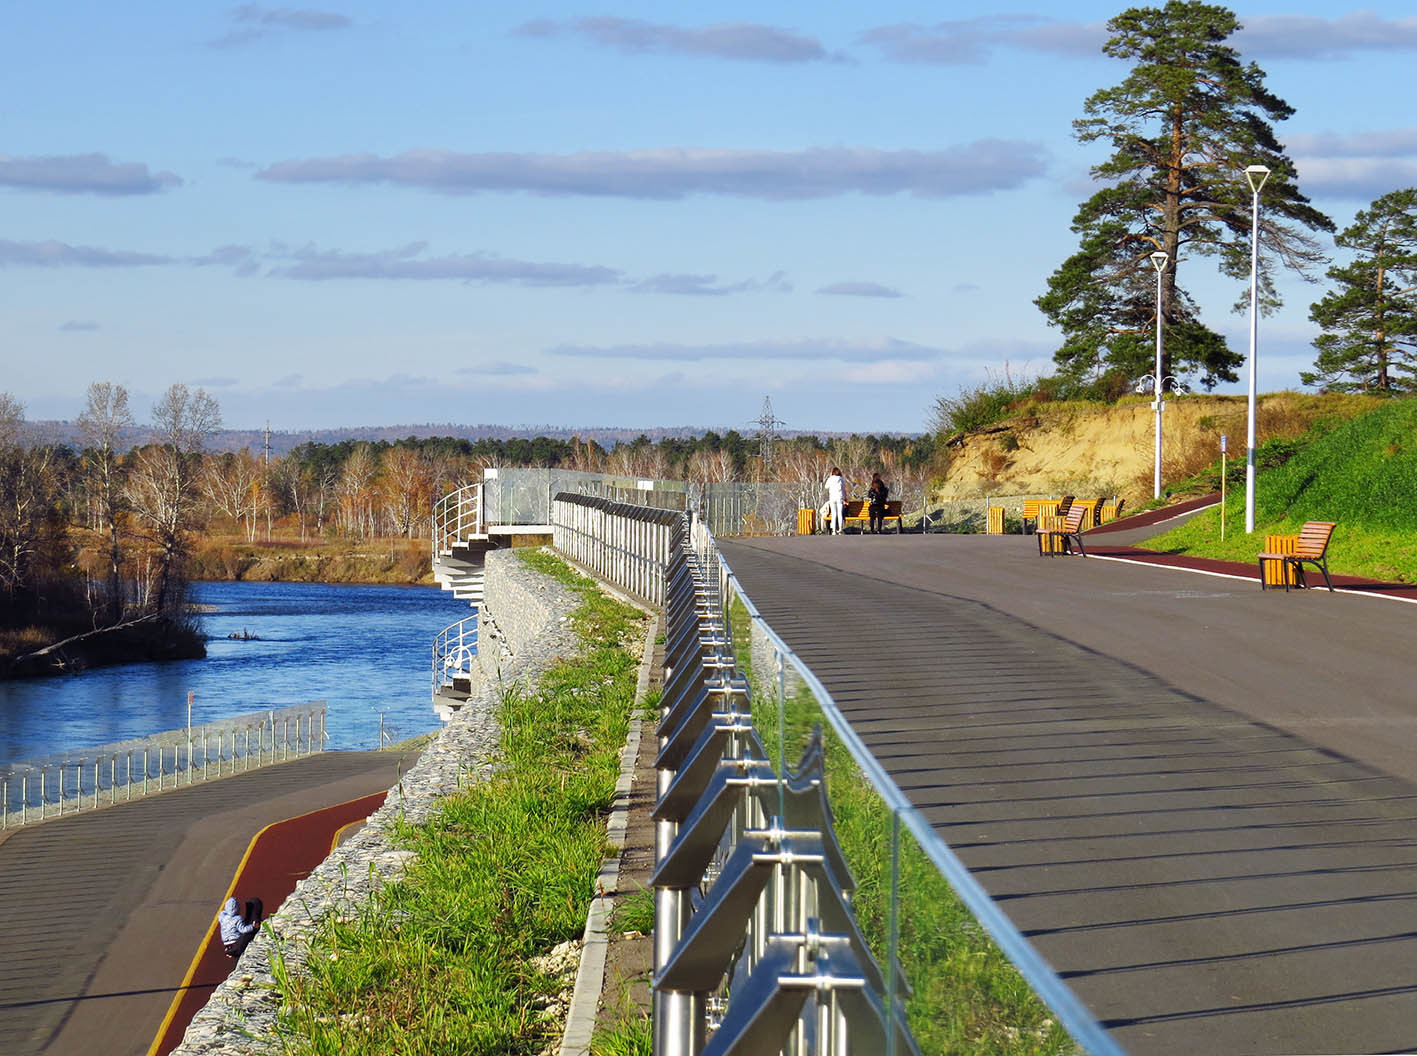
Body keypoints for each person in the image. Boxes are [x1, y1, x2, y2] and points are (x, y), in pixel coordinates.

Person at [823, 467, 846, 535]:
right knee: (840, 513)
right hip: (840, 497)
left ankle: (833, 530)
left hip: (832, 497)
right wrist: (844, 497)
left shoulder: (830, 479)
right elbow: (844, 489)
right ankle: (840, 529)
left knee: (834, 513)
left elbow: (826, 487)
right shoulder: (841, 479)